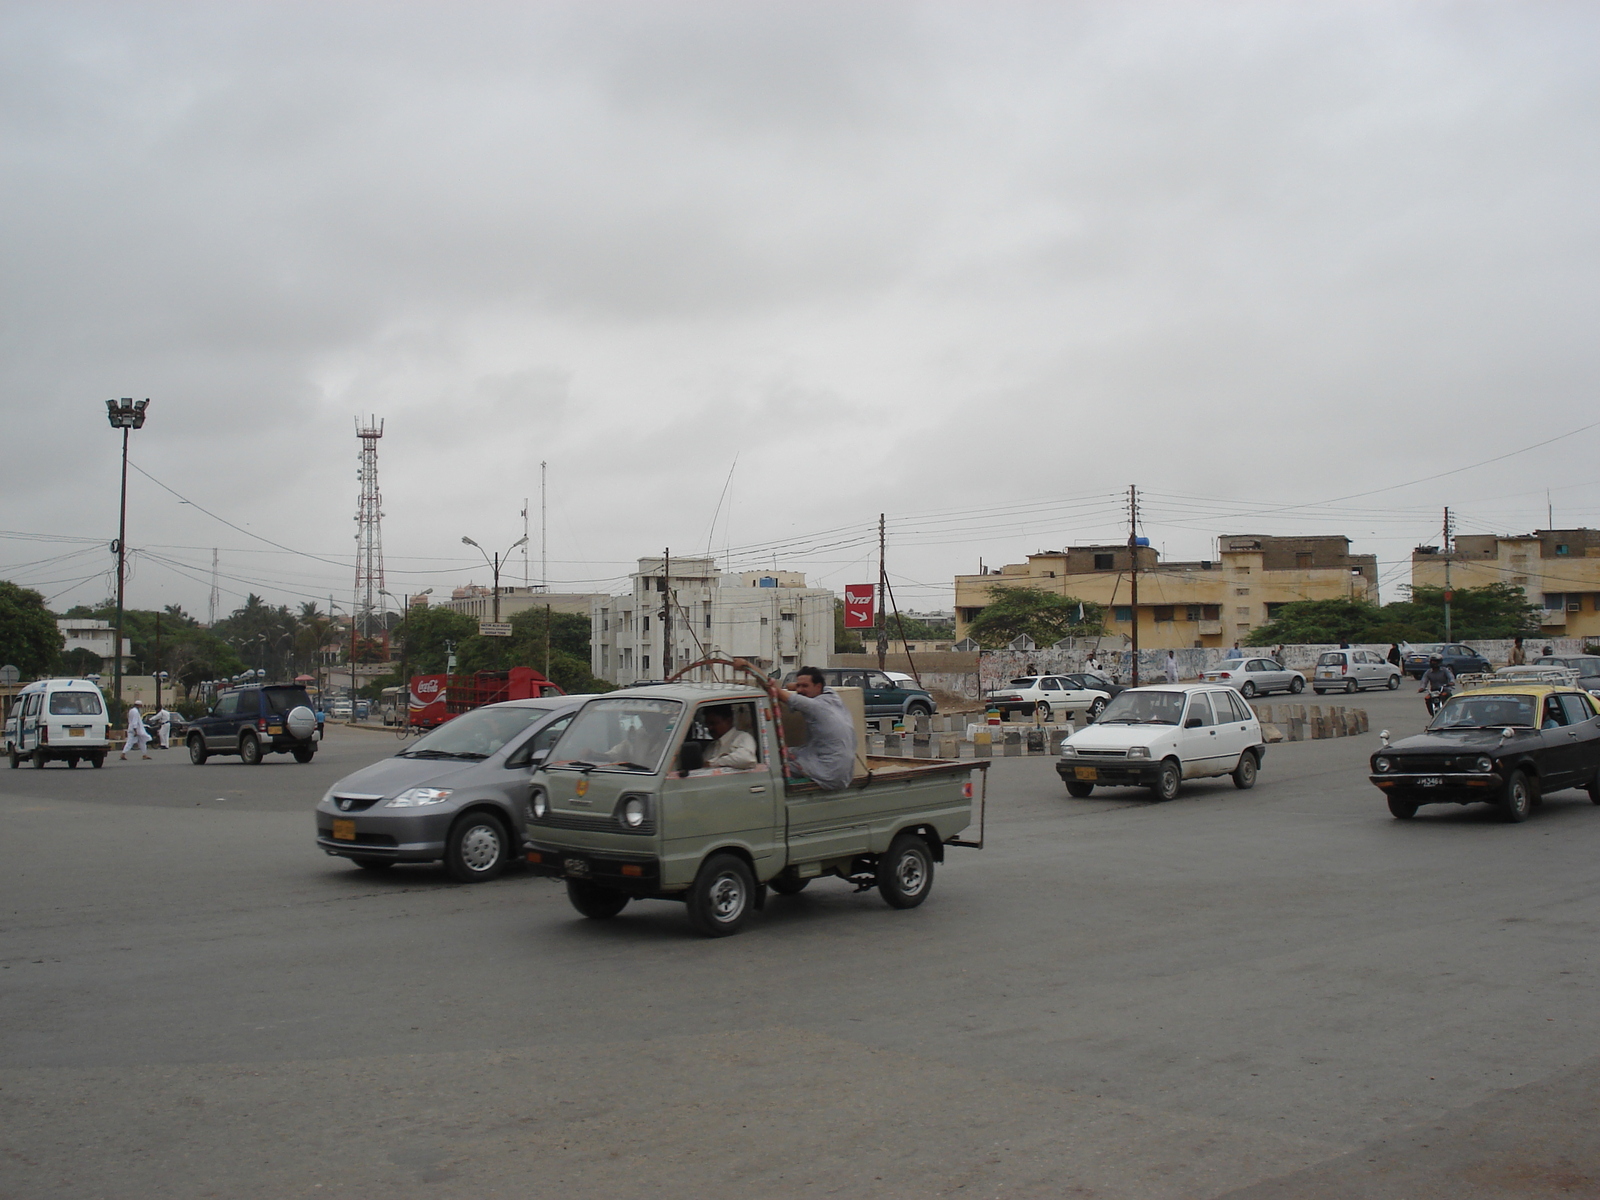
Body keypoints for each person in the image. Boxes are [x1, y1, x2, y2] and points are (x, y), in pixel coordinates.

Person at [740, 660, 855, 791]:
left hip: (828, 770)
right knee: (786, 751)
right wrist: (796, 686)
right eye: (799, 686)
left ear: (818, 686)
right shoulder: (832, 696)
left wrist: (748, 666)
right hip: (840, 766)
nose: (800, 690)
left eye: (805, 686)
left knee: (774, 765)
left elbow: (772, 688)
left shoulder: (813, 706)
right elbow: (790, 686)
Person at [701, 705, 757, 769]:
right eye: (707, 724)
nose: (709, 728)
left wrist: (714, 763)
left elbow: (747, 759)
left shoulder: (743, 738)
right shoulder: (711, 746)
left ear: (728, 721)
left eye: (713, 723)